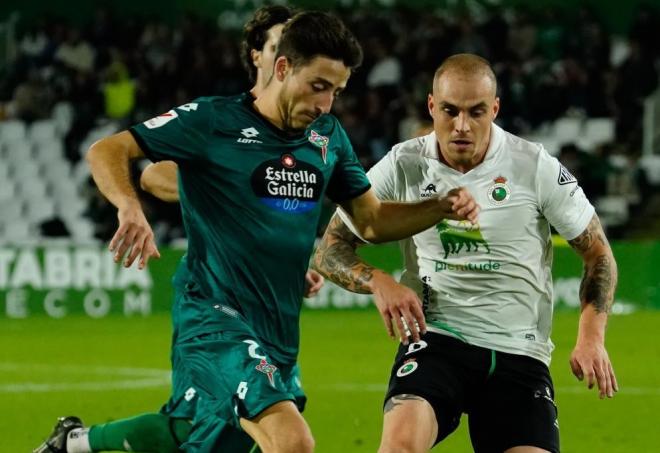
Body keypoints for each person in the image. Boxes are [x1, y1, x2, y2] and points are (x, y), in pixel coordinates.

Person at [39, 12, 479, 453]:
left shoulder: (327, 137)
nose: (326, 104)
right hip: (213, 317)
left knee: (195, 436)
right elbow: (108, 149)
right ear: (283, 68)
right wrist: (129, 206)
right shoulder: (213, 120)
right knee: (291, 442)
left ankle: (73, 444)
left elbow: (370, 221)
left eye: (337, 91)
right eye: (318, 86)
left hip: (277, 327)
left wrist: (439, 207)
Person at [33, 6, 313, 453]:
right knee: (268, 429)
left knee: (188, 424)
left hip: (267, 310)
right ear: (259, 56)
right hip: (214, 305)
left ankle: (75, 442)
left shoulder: (309, 134)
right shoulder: (220, 119)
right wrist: (210, 194)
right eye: (281, 45)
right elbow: (151, 174)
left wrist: (274, 255)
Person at [313, 53, 618, 453]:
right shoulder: (404, 164)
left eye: (476, 112)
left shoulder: (534, 165)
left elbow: (599, 256)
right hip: (437, 339)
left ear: (495, 109)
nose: (461, 126)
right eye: (449, 111)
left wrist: (591, 337)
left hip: (519, 350)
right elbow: (330, 248)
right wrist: (379, 281)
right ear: (430, 107)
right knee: (399, 447)